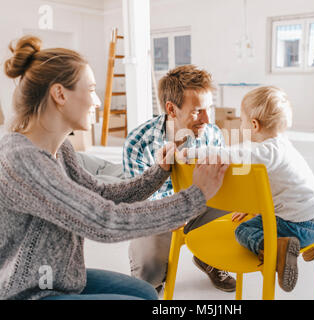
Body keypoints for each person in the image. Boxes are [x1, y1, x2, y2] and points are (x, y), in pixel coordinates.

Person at [0, 36, 228, 300]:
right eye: (91, 89)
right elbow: (105, 220)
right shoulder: (23, 160)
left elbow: (100, 193)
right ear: (60, 94)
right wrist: (195, 197)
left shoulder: (61, 150)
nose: (98, 102)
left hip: (60, 277)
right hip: (29, 292)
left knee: (144, 293)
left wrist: (159, 172)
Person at [181, 86, 314, 292]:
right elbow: (281, 188)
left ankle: (279, 250)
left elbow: (228, 154)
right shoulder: (283, 145)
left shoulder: (265, 151)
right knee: (259, 217)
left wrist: (191, 153)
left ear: (254, 124)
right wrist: (252, 205)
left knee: (243, 230)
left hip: (297, 224)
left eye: (242, 120)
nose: (241, 125)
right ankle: (306, 243)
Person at [123, 65, 236, 293]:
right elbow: (139, 201)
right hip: (158, 214)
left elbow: (223, 183)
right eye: (197, 111)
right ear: (171, 109)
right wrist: (174, 210)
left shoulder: (212, 133)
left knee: (243, 204)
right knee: (147, 279)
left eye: (209, 109)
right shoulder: (138, 143)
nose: (206, 119)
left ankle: (208, 257)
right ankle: (153, 278)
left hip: (200, 205)